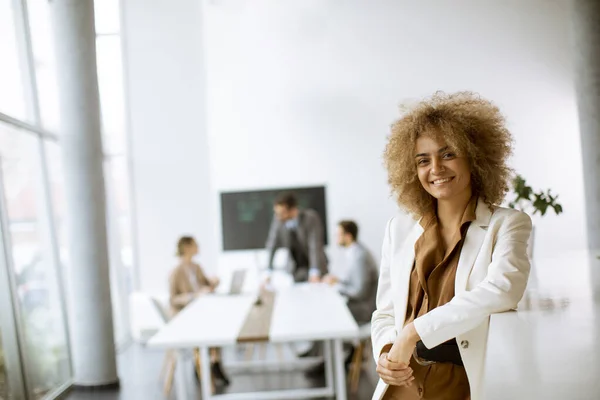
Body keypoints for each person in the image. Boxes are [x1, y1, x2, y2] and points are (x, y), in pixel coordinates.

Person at [371, 92, 532, 400]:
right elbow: (385, 312)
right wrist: (386, 351)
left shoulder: (508, 223)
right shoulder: (399, 229)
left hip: (462, 381)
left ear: (474, 156)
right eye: (423, 160)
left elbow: (503, 290)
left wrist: (413, 332)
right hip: (402, 379)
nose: (436, 169)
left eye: (448, 154)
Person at [169, 236, 230, 386]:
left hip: (202, 313)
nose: (198, 247)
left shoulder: (196, 267)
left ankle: (213, 362)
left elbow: (207, 285)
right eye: (195, 245)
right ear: (187, 247)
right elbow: (173, 299)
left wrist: (214, 282)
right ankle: (206, 364)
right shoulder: (176, 272)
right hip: (186, 317)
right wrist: (192, 296)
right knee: (209, 327)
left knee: (217, 324)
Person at [265, 192, 328, 283]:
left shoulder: (310, 218)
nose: (279, 217)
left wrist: (314, 272)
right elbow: (272, 245)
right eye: (277, 213)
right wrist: (268, 272)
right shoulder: (278, 220)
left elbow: (314, 245)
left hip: (315, 267)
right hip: (295, 269)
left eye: (282, 213)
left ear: (293, 210)